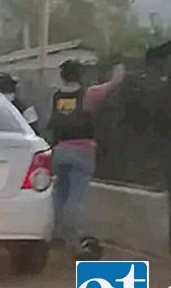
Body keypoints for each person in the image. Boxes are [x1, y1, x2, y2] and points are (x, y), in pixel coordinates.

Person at [47, 59, 125, 259]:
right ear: (81, 74)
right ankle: (76, 242)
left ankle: (56, 235)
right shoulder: (88, 95)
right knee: (75, 198)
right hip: (83, 150)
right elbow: (114, 84)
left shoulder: (57, 96)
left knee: (60, 195)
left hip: (60, 150)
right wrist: (118, 69)